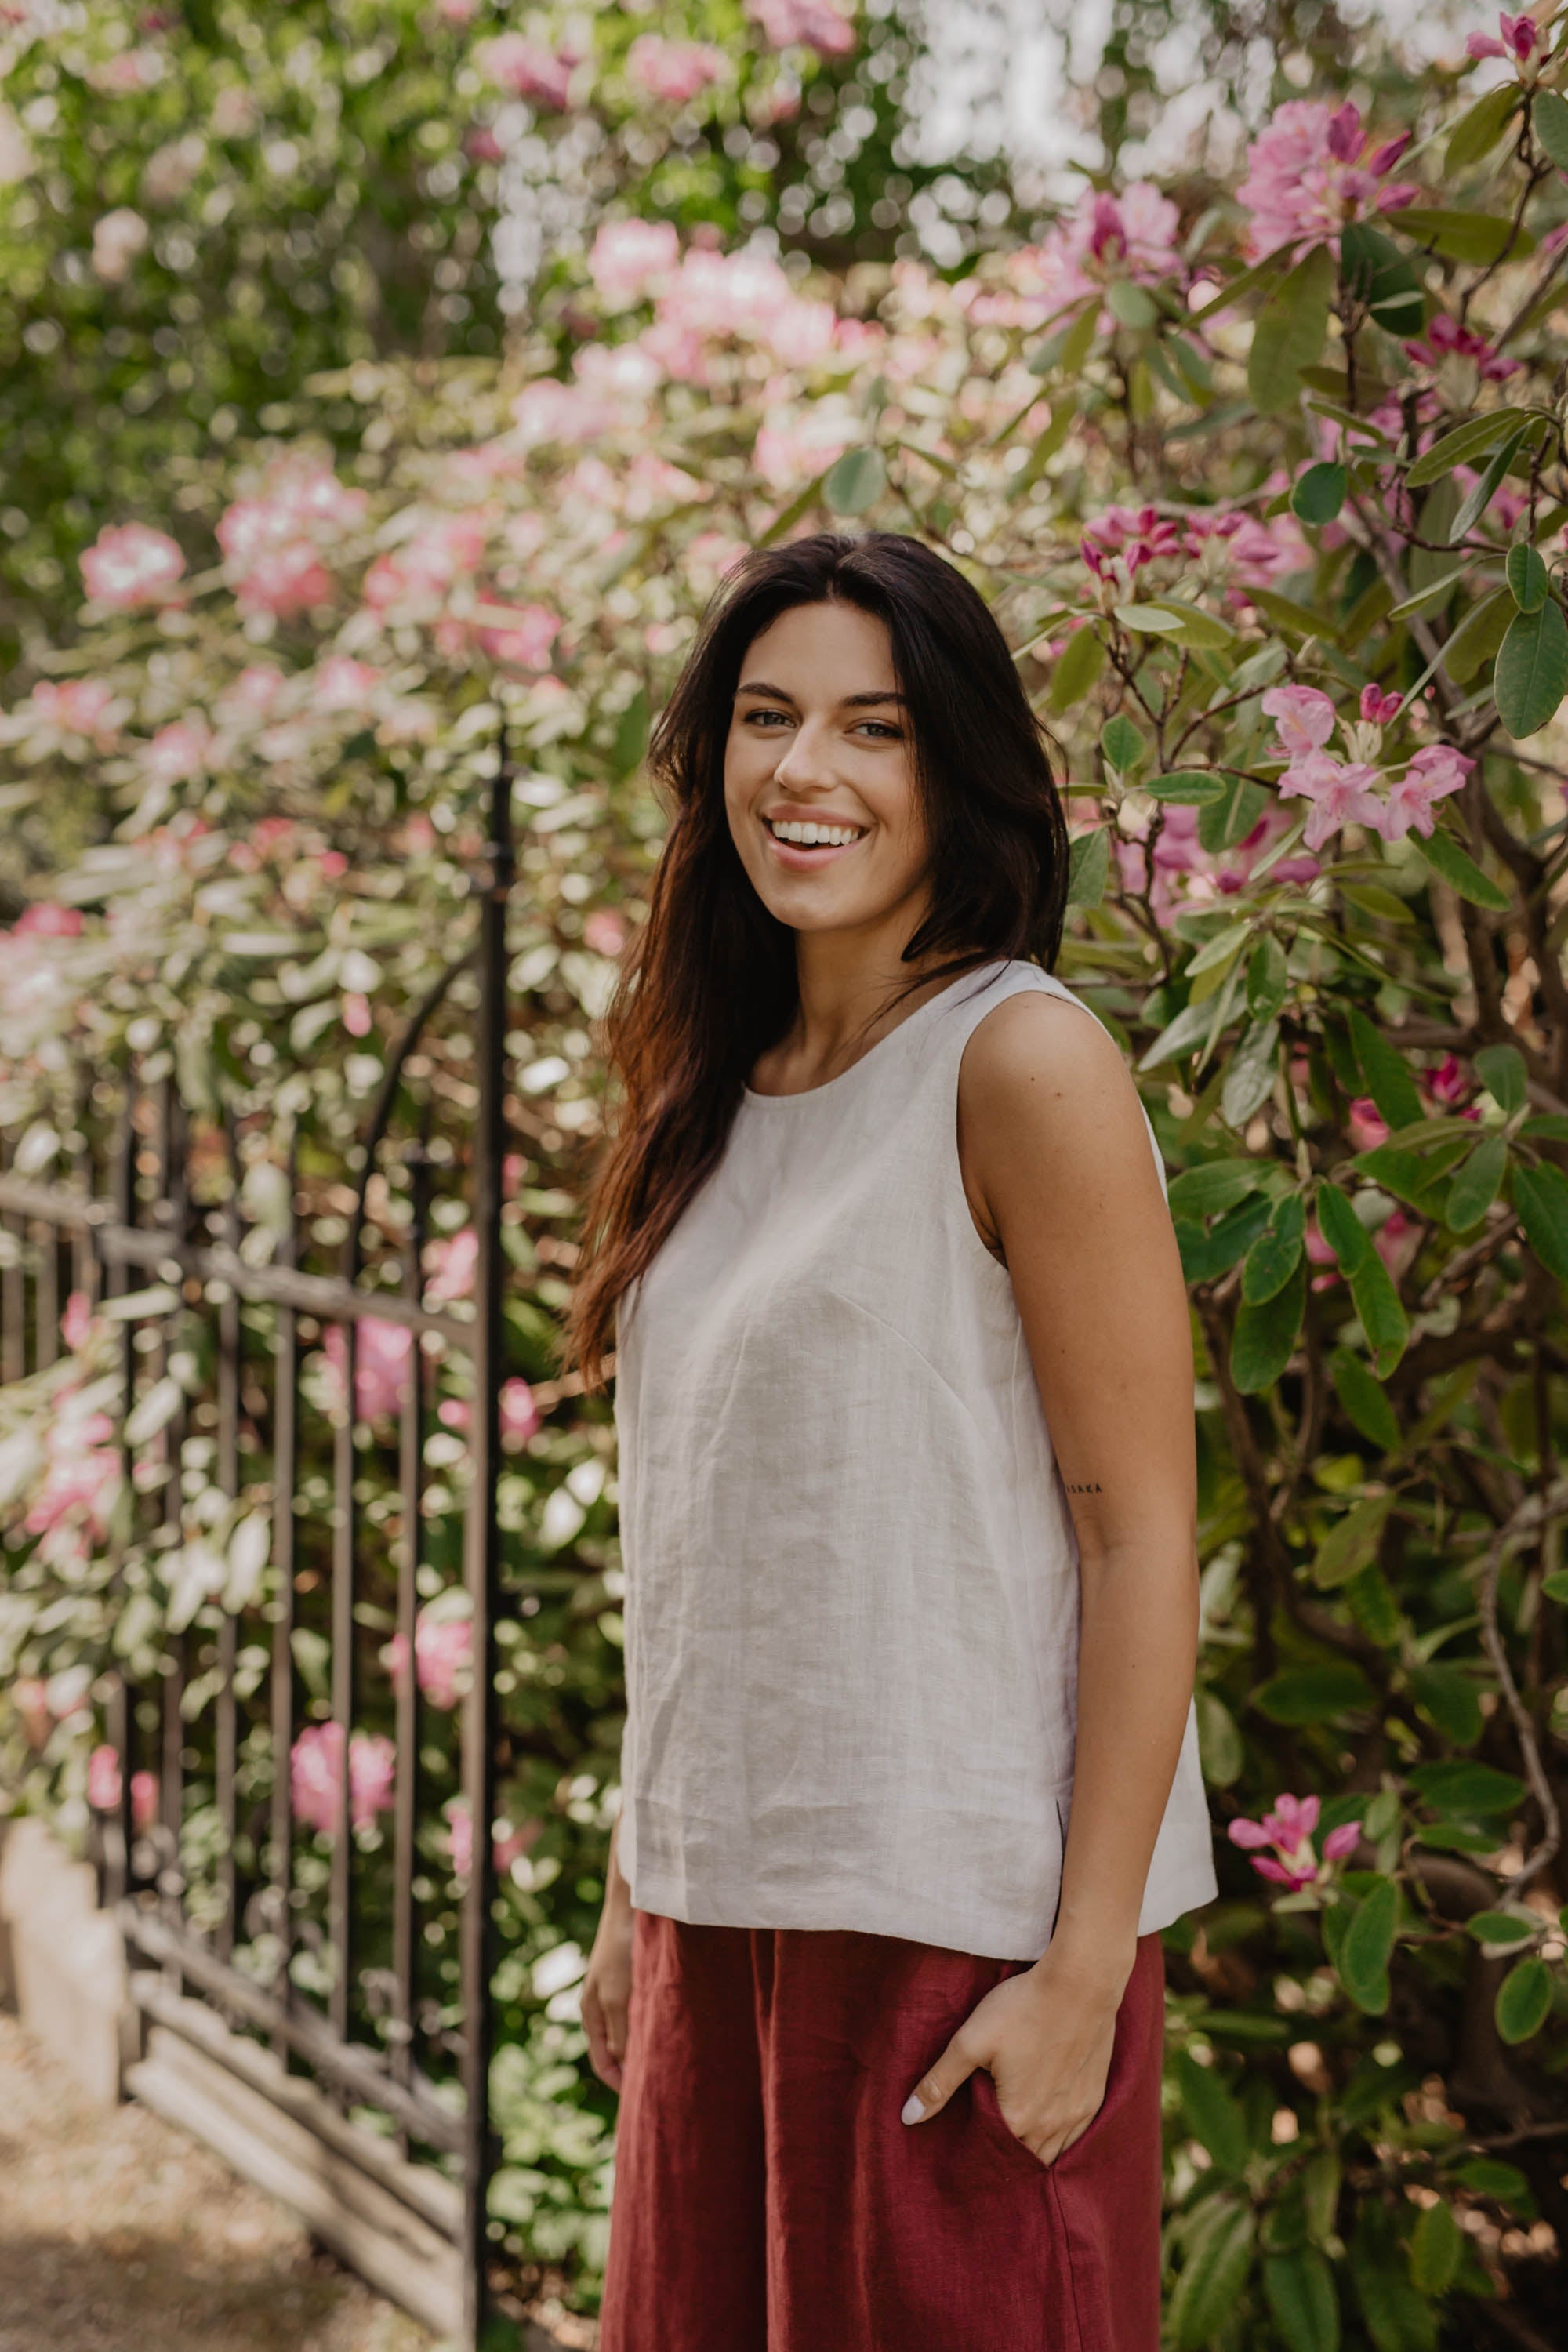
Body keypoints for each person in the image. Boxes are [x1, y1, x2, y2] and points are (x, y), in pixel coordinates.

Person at [566, 531, 1218, 2351]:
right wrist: (644, 1888)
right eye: (767, 717)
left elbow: (1139, 1536)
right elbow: (713, 1546)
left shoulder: (1020, 1064)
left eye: (876, 726)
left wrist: (1083, 1970)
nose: (807, 771)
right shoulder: (720, 1086)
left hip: (960, 1935)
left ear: (959, 769)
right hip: (728, 1919)